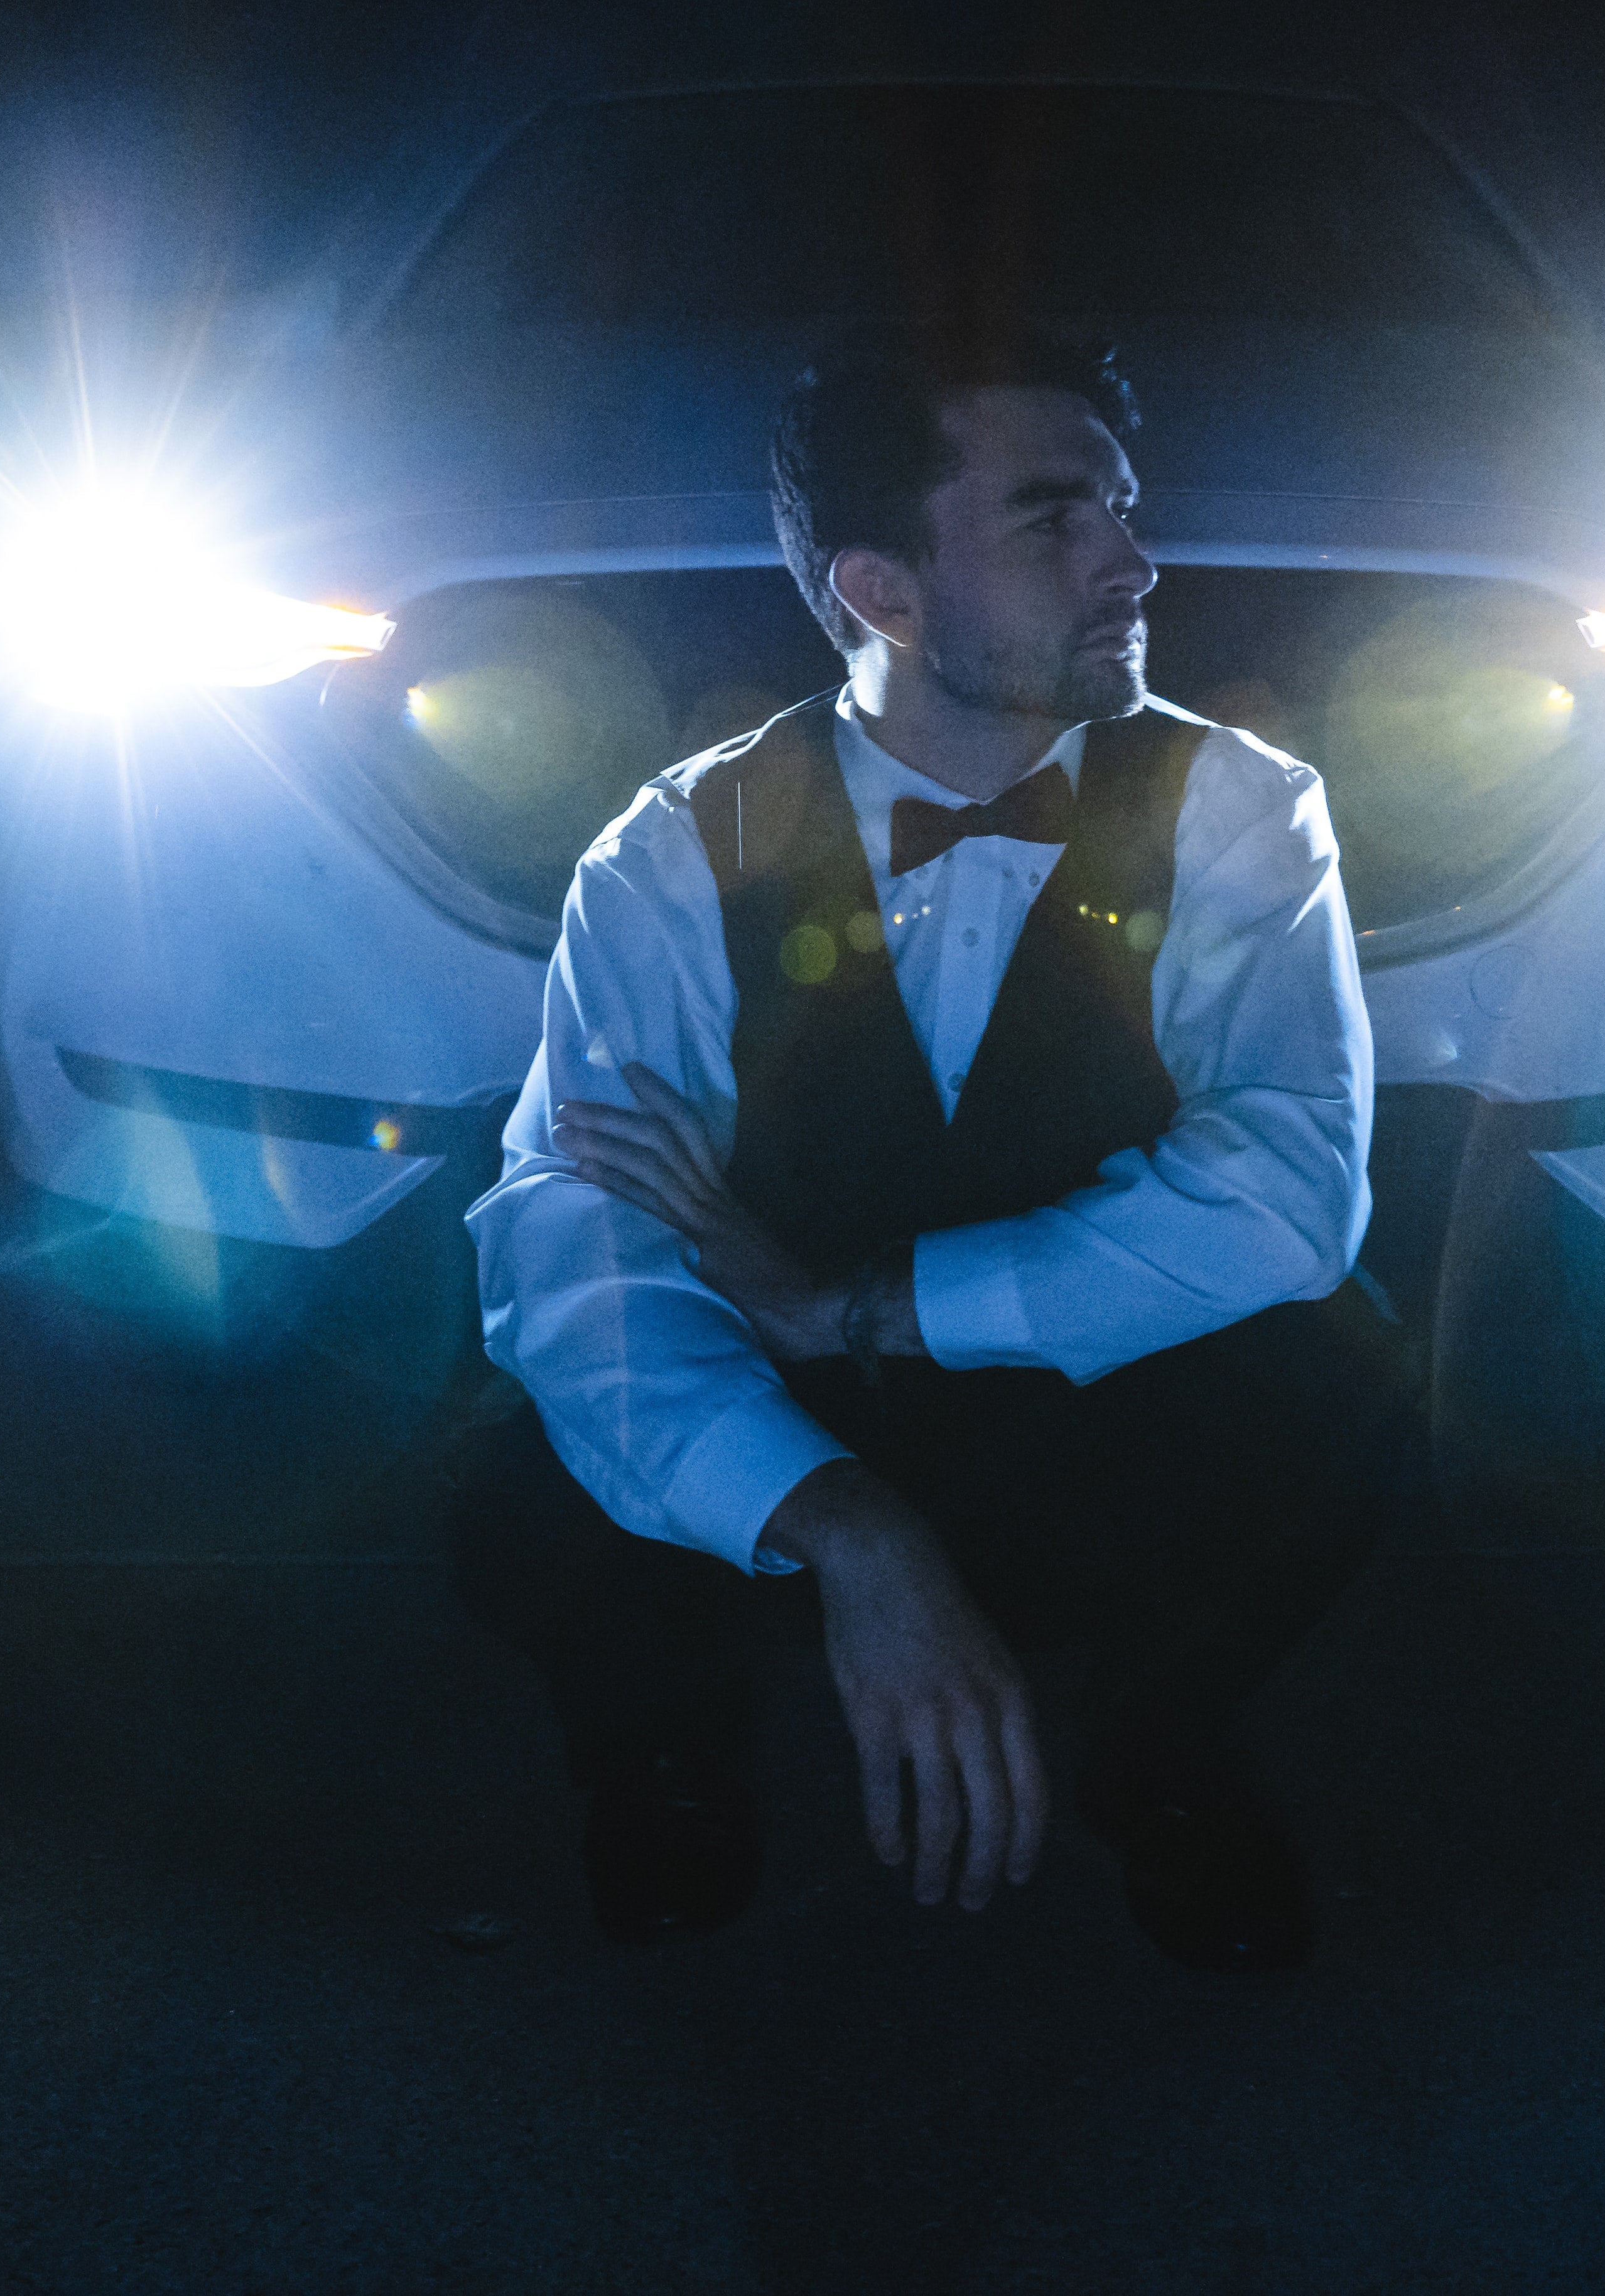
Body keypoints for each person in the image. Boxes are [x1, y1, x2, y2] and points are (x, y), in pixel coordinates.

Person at [450, 325, 1408, 1971]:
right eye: (1058, 520)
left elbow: (1291, 1188)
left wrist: (867, 1302)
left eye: (1119, 506)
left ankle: (1153, 1750)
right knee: (508, 1452)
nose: (1136, 559)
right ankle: (670, 1760)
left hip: (1068, 1386)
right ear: (884, 591)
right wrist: (849, 1526)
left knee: (1350, 1374)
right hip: (791, 1403)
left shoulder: (1240, 803)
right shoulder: (673, 846)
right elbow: (568, 1237)